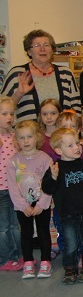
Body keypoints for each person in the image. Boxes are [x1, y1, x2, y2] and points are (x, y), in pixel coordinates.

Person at [41, 128, 83, 284]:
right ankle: (70, 267)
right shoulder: (55, 168)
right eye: (70, 145)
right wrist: (53, 177)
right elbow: (47, 188)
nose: (76, 147)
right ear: (58, 150)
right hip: (67, 214)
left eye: (77, 143)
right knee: (70, 242)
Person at [2, 30, 81, 122]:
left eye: (46, 45)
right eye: (37, 45)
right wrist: (19, 94)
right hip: (28, 134)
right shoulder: (17, 74)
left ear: (52, 50)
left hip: (61, 133)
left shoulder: (66, 73)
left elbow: (76, 107)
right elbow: (3, 110)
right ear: (29, 51)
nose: (42, 49)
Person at [8, 121, 53, 278]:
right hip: (23, 204)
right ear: (16, 140)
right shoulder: (13, 161)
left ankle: (46, 261)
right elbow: (13, 187)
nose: (26, 141)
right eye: (21, 138)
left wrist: (41, 204)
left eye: (29, 137)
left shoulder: (45, 159)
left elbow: (49, 184)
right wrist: (22, 206)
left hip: (42, 203)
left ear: (37, 138)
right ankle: (28, 261)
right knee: (26, 233)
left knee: (43, 232)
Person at [0, 96, 23, 271]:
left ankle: (19, 255)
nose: (9, 117)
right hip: (1, 190)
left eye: (11, 114)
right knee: (3, 227)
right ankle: (5, 258)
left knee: (16, 225)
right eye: (4, 114)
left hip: (15, 188)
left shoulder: (15, 136)